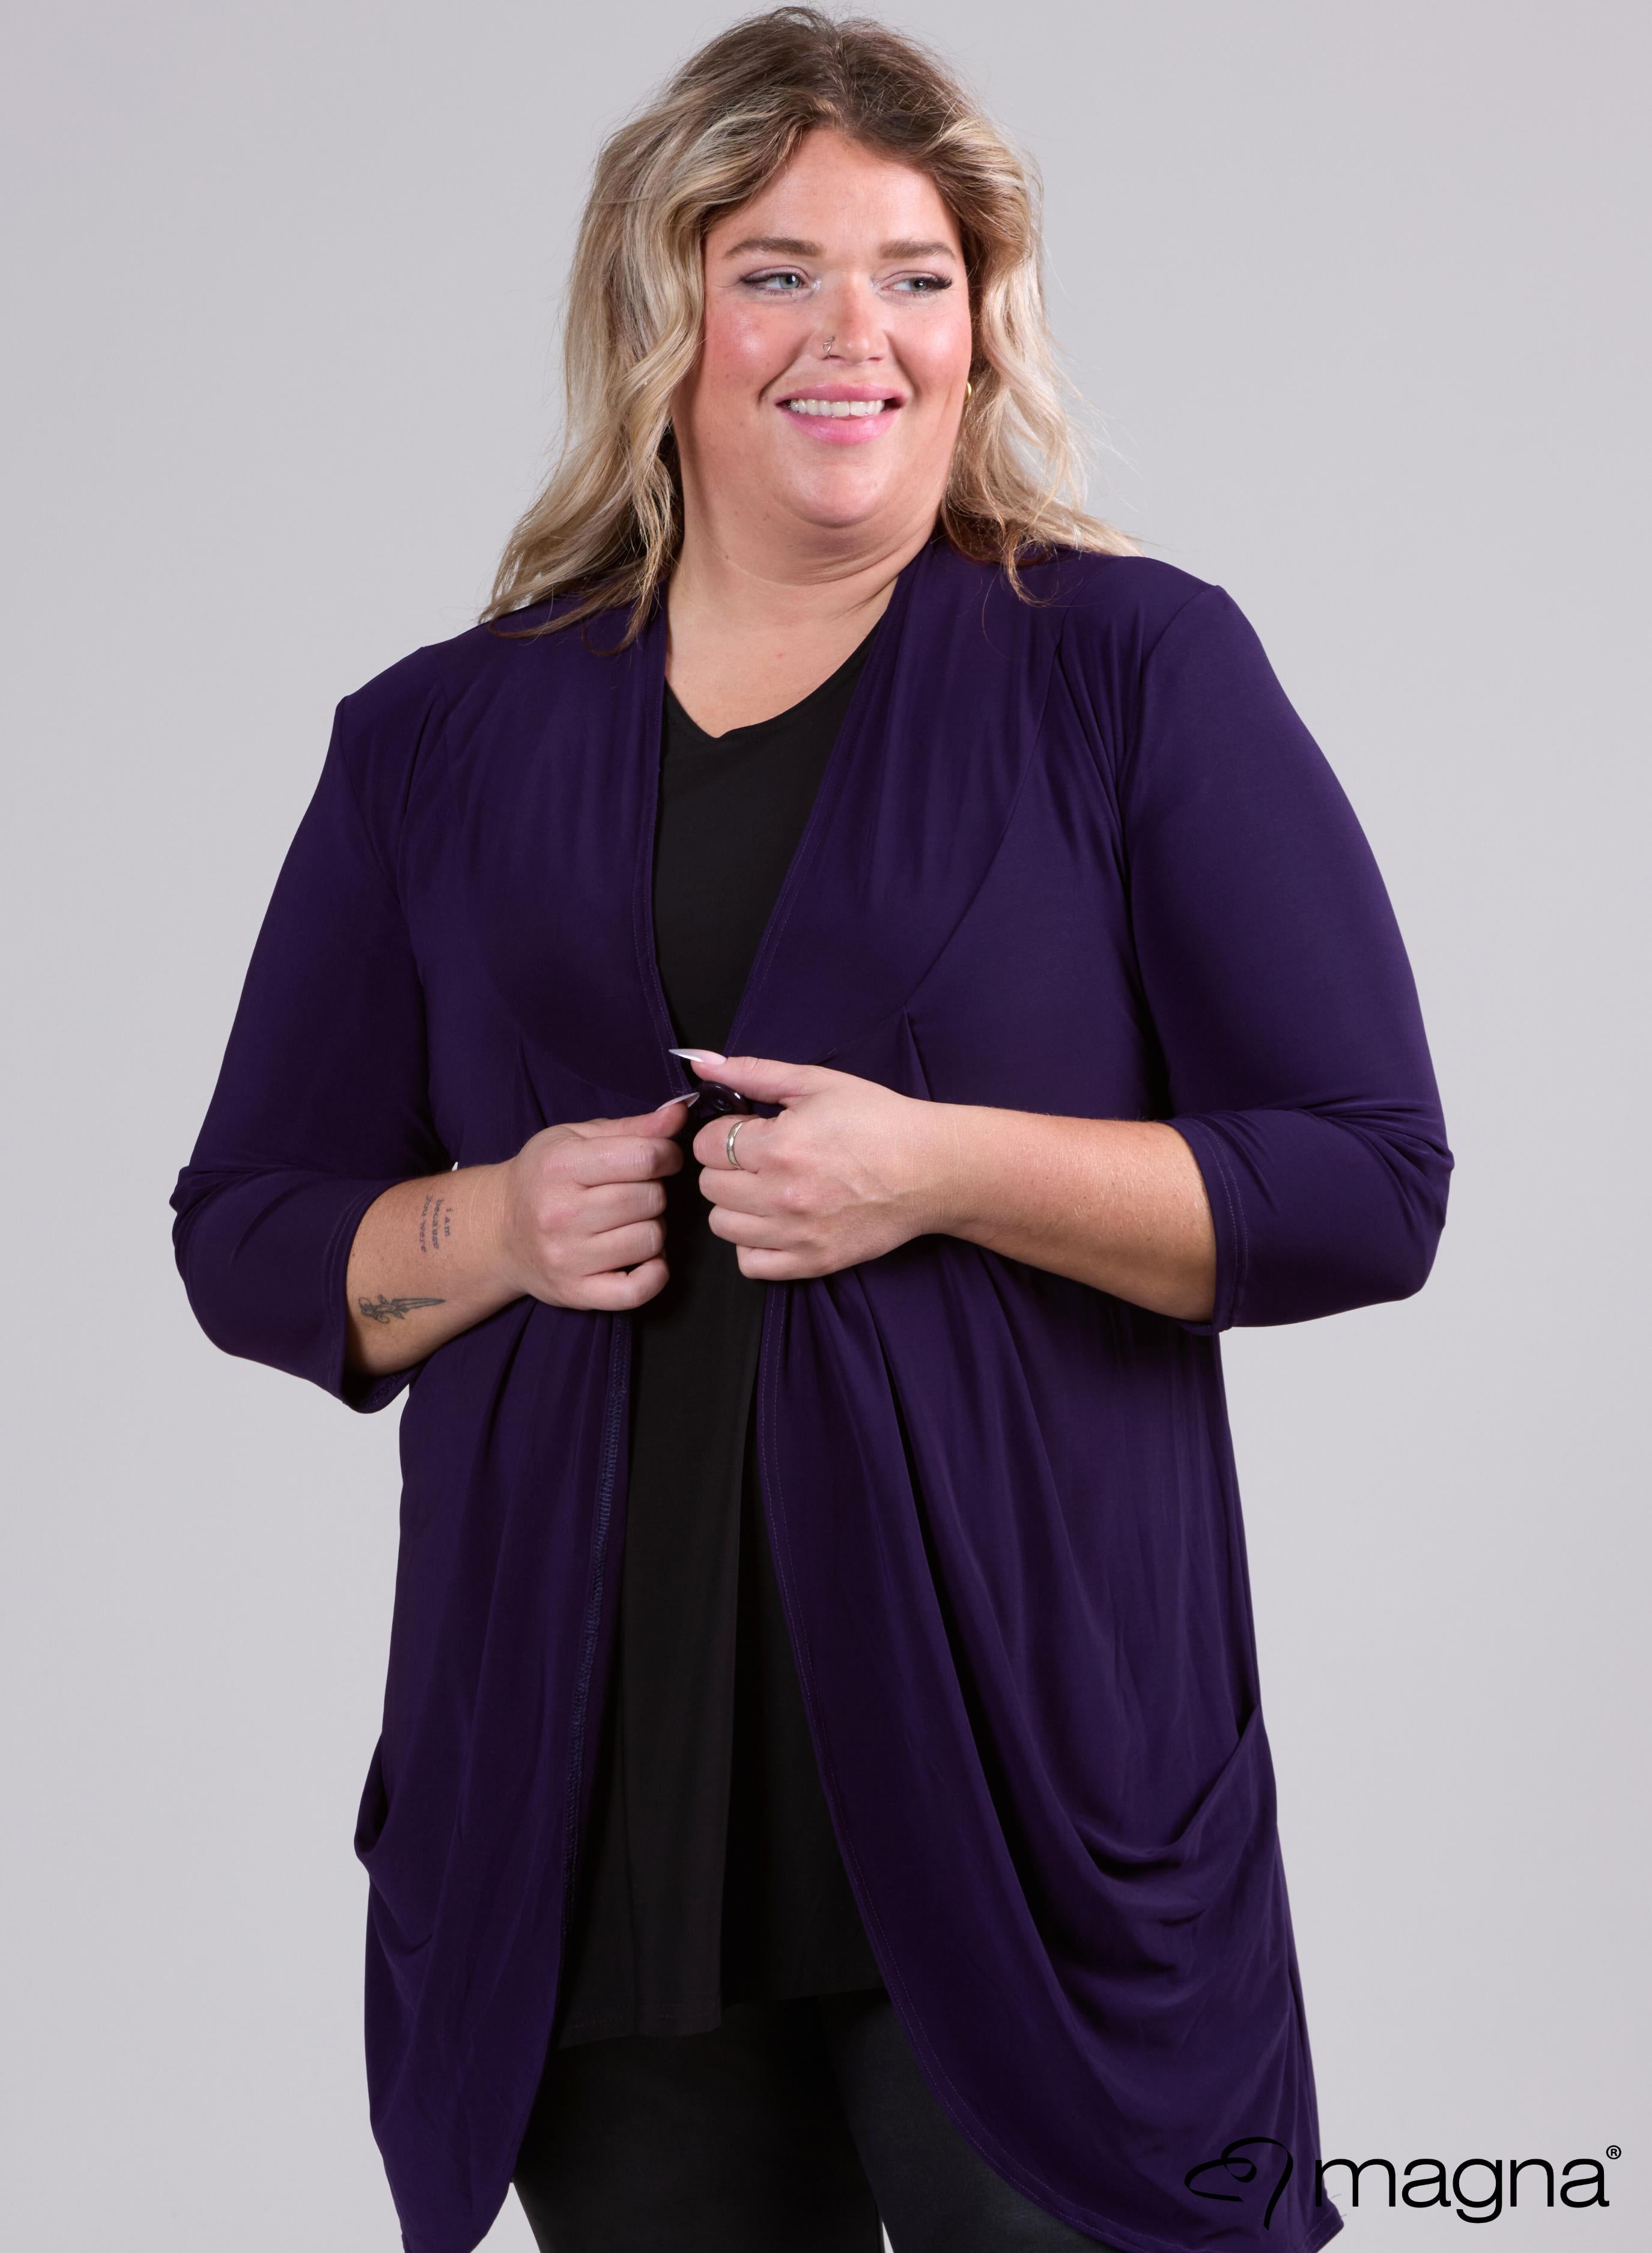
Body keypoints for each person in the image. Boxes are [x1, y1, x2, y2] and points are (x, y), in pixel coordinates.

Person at [169, 10, 1451, 2251]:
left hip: (1036, 1818)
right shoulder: (436, 741)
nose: (856, 334)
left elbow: (1366, 1178)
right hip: (587, 1830)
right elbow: (247, 1230)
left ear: (981, 325)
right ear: (661, 318)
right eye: (777, 272)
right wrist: (490, 1225)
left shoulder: (1128, 671)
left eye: (916, 276)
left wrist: (943, 1167)